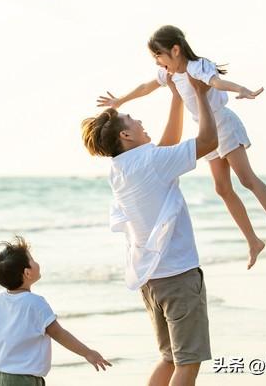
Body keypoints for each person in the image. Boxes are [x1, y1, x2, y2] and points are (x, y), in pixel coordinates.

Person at [97, 25, 266, 269]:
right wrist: (120, 100)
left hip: (222, 124)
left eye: (159, 56)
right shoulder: (170, 74)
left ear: (175, 50)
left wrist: (241, 89)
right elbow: (146, 87)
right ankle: (253, 241)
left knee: (246, 179)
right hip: (205, 128)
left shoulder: (196, 66)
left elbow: (216, 82)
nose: (158, 63)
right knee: (222, 188)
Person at [82, 76, 215, 386]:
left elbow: (167, 146)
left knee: (169, 359)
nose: (139, 119)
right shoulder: (153, 162)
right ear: (126, 134)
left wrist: (175, 96)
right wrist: (200, 93)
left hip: (152, 280)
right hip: (178, 278)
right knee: (187, 364)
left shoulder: (121, 168)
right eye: (131, 118)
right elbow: (209, 142)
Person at [0, 236, 112, 385]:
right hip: (22, 379)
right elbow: (59, 333)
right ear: (27, 273)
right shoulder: (35, 303)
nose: (37, 263)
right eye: (32, 260)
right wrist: (88, 353)